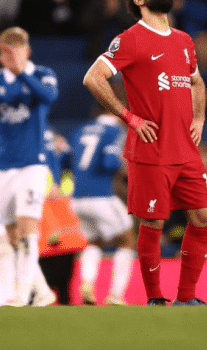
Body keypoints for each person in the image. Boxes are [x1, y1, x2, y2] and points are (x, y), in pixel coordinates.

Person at [83, 0, 207, 306]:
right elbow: (93, 77)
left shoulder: (185, 40)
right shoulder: (130, 39)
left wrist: (199, 116)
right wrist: (128, 116)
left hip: (186, 149)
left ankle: (186, 298)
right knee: (153, 222)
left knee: (204, 219)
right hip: (151, 149)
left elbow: (196, 81)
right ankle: (156, 298)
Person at [0, 26, 58, 306]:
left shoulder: (42, 74)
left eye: (15, 52)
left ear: (27, 51)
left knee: (28, 230)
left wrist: (22, 72)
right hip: (4, 167)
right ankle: (42, 291)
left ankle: (20, 294)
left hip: (32, 164)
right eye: (5, 53)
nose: (11, 58)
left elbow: (49, 97)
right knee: (13, 236)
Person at [71, 103, 135, 306]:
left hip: (78, 198)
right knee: (127, 241)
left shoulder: (80, 130)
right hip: (101, 196)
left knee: (94, 241)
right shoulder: (115, 130)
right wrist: (124, 165)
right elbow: (109, 162)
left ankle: (87, 284)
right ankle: (116, 295)